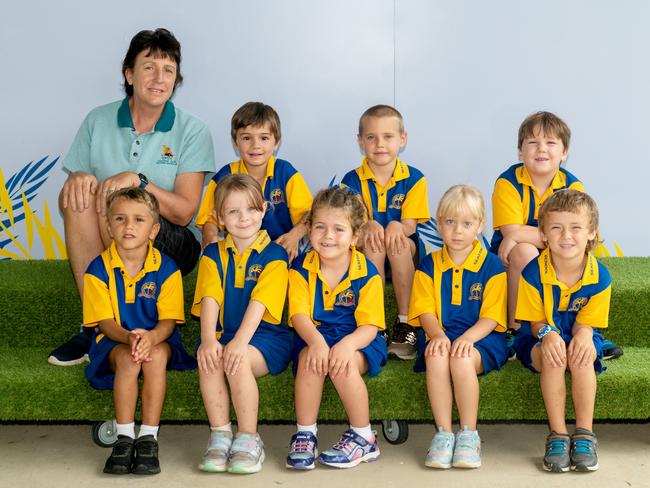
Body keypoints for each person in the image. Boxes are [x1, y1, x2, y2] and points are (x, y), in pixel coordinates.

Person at [49, 28, 215, 366]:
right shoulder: (98, 119)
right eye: (149, 67)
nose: (159, 78)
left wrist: (140, 182)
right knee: (81, 193)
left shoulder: (193, 129)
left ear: (176, 79)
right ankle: (95, 324)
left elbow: (184, 213)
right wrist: (80, 179)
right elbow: (71, 199)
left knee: (115, 197)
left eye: (169, 70)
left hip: (173, 240)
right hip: (109, 226)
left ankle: (122, 320)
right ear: (129, 74)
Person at [490, 111, 621, 360]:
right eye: (533, 143)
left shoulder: (573, 185)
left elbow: (575, 230)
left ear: (564, 153)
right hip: (513, 260)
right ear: (520, 151)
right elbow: (510, 231)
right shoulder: (508, 182)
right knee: (525, 251)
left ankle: (582, 335)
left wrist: (521, 233)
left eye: (551, 143)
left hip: (558, 253)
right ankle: (516, 331)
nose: (542, 149)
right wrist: (517, 235)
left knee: (570, 255)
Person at [83, 188, 196, 475]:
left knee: (154, 357)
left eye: (138, 220)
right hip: (114, 341)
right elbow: (105, 323)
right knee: (129, 359)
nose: (128, 226)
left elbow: (169, 322)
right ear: (108, 225)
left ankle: (148, 438)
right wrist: (130, 338)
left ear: (154, 229)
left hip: (160, 339)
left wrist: (151, 338)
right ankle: (124, 438)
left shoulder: (167, 268)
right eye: (119, 219)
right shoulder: (97, 269)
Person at [193, 174, 293, 475]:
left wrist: (238, 344)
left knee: (236, 361)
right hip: (226, 334)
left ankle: (249, 438)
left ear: (263, 209)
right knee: (209, 359)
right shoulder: (212, 254)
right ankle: (221, 435)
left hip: (266, 337)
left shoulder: (275, 254)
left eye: (250, 209)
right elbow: (210, 299)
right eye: (233, 212)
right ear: (220, 217)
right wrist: (209, 340)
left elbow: (259, 305)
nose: (243, 218)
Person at [286, 187, 387, 470]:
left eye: (338, 229)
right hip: (316, 335)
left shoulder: (367, 273)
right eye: (320, 227)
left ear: (355, 236)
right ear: (308, 229)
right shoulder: (300, 270)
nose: (328, 236)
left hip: (358, 340)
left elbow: (369, 327)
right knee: (309, 358)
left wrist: (346, 346)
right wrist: (318, 343)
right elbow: (299, 317)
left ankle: (363, 437)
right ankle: (306, 433)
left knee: (342, 363)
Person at [408, 185, 507, 469]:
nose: (458, 231)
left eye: (467, 223)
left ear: (480, 225)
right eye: (450, 222)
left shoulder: (493, 266)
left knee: (461, 358)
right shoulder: (429, 265)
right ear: (439, 223)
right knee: (437, 355)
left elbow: (491, 318)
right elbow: (424, 310)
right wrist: (437, 334)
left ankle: (468, 434)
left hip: (482, 338)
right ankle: (444, 434)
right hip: (441, 333)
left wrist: (467, 338)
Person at [514, 189, 610, 473]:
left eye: (576, 228)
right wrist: (549, 335)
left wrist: (583, 336)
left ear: (591, 232)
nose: (566, 236)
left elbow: (586, 323)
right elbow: (534, 324)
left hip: (579, 333)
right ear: (543, 234)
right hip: (538, 337)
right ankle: (557, 434)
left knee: (582, 358)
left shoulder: (600, 276)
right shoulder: (532, 272)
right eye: (556, 228)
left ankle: (584, 434)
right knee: (554, 356)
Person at [341, 105, 430, 361]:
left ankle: (406, 324)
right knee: (373, 240)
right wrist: (368, 224)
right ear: (360, 142)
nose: (380, 144)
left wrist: (397, 225)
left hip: (404, 253)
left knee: (397, 241)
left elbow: (410, 225)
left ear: (402, 139)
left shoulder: (414, 178)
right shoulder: (352, 180)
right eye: (371, 137)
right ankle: (375, 324)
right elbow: (355, 223)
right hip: (370, 252)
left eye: (388, 136)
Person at [195, 101, 312, 261]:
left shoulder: (286, 172)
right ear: (236, 141)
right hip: (240, 245)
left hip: (280, 244)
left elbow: (309, 215)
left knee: (310, 249)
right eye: (246, 138)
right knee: (210, 254)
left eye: (264, 138)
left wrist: (293, 236)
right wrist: (209, 237)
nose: (255, 145)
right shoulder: (225, 175)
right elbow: (210, 218)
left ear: (276, 142)